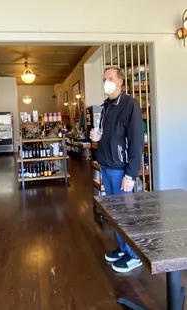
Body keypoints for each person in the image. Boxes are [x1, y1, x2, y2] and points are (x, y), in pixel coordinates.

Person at [90, 66, 144, 273]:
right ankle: (123, 248)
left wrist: (131, 173)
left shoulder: (129, 105)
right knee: (115, 214)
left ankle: (134, 255)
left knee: (126, 213)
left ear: (120, 82)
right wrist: (98, 137)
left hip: (122, 170)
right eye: (104, 78)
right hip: (107, 166)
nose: (106, 82)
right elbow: (109, 134)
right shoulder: (107, 106)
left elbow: (137, 142)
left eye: (110, 78)